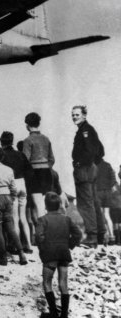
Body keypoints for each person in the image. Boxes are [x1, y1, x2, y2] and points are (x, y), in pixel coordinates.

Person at [36, 192, 82, 318]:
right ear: (59, 205)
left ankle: (53, 313)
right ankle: (64, 315)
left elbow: (39, 237)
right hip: (63, 253)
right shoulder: (66, 219)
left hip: (50, 255)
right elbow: (78, 234)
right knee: (63, 284)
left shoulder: (42, 220)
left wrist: (43, 250)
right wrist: (69, 245)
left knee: (47, 283)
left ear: (46, 206)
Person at [71, 105, 105, 247]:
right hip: (90, 169)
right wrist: (93, 164)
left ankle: (92, 237)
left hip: (84, 170)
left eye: (77, 115)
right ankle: (100, 235)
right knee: (93, 201)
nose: (74, 117)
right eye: (73, 115)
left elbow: (92, 151)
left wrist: (80, 163)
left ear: (84, 115)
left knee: (86, 203)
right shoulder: (88, 130)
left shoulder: (85, 130)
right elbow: (100, 151)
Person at [1, 131, 33, 253]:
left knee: (14, 217)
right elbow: (29, 171)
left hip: (12, 185)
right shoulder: (20, 154)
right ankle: (28, 245)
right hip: (22, 183)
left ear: (1, 141)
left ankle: (17, 246)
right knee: (23, 217)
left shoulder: (2, 155)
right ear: (12, 141)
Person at [22, 112, 55, 218]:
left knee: (38, 206)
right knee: (46, 206)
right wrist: (45, 166)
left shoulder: (27, 140)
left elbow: (25, 161)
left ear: (27, 125)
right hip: (47, 174)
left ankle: (42, 233)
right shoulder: (46, 139)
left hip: (34, 175)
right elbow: (52, 159)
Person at [95, 157, 116, 244]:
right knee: (107, 214)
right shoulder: (108, 165)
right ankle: (112, 237)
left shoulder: (93, 166)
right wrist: (108, 187)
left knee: (100, 216)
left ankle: (103, 237)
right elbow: (113, 179)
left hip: (98, 191)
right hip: (107, 192)